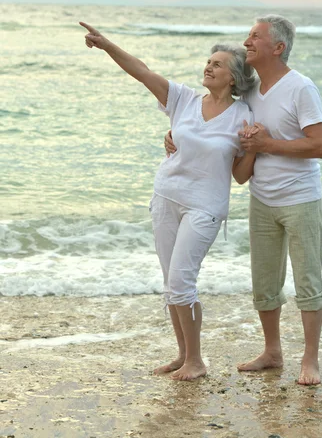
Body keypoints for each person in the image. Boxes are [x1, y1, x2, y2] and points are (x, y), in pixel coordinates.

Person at [79, 21, 256, 381]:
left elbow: (240, 175)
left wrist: (255, 146)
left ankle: (197, 361)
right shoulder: (184, 99)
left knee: (181, 282)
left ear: (233, 78)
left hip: (205, 208)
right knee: (171, 282)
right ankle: (183, 355)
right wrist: (106, 45)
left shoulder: (244, 116)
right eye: (208, 61)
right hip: (165, 198)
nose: (208, 66)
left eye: (218, 64)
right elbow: (142, 71)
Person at [166, 14, 322, 385]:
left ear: (278, 47)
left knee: (307, 281)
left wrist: (267, 144)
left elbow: (321, 146)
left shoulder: (301, 88)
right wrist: (175, 133)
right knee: (264, 283)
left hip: (300, 198)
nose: (247, 42)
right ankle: (273, 352)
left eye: (255, 37)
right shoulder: (251, 93)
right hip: (262, 197)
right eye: (248, 36)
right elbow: (216, 118)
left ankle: (310, 360)